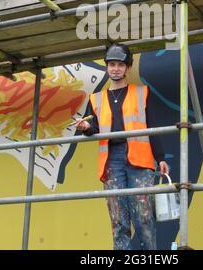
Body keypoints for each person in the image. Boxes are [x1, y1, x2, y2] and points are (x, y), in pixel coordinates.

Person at [74, 43, 169, 250]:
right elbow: (95, 128)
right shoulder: (96, 98)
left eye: (120, 64)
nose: (115, 68)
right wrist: (86, 126)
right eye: (112, 64)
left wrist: (160, 157)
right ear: (107, 67)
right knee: (118, 220)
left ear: (127, 68)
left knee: (143, 218)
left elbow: (152, 126)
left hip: (140, 159)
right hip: (112, 161)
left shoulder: (142, 92)